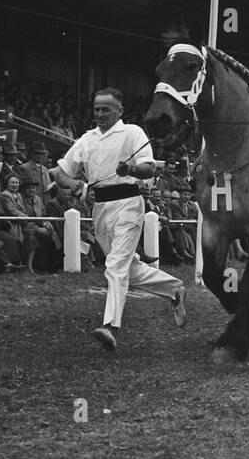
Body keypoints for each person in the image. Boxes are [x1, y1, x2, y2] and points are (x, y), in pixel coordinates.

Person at [54, 87, 186, 351]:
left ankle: (111, 326)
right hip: (100, 209)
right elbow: (60, 173)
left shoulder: (133, 133)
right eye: (96, 109)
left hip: (128, 204)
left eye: (106, 109)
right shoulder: (86, 140)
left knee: (115, 265)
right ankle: (174, 290)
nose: (100, 114)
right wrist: (80, 187)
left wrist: (131, 168)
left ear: (119, 111)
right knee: (129, 269)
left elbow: (148, 169)